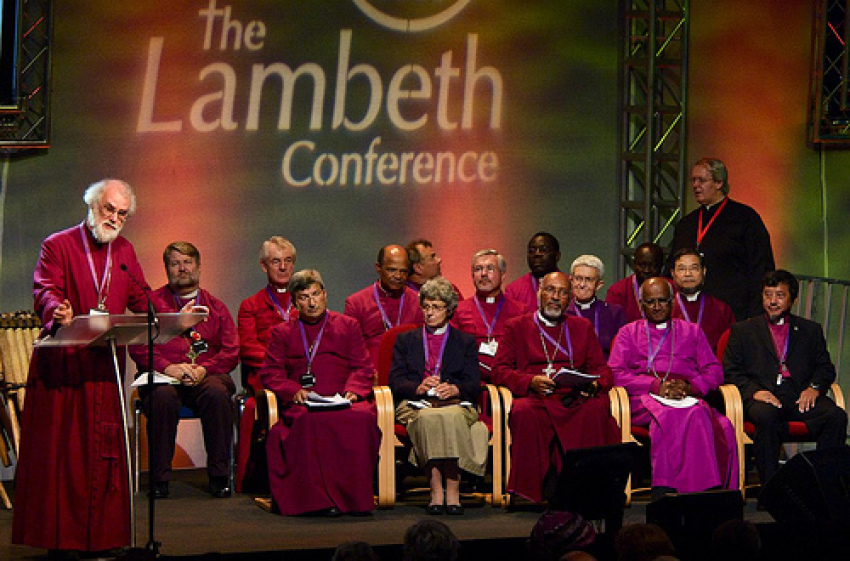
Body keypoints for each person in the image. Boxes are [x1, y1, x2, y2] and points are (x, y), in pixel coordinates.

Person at [11, 179, 185, 556]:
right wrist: (56, 308)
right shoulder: (58, 244)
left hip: (104, 367)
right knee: (64, 456)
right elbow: (44, 289)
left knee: (102, 453)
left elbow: (141, 298)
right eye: (109, 209)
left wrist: (175, 315)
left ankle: (102, 538)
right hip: (64, 367)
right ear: (92, 205)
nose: (115, 218)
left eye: (123, 213)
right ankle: (61, 539)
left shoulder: (124, 250)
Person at [493, 272, 621, 504]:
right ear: (539, 293)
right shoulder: (516, 326)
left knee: (595, 409)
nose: (556, 297)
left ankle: (586, 489)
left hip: (574, 397)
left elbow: (603, 370)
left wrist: (592, 384)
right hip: (536, 397)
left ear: (569, 299)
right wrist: (530, 381)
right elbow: (499, 370)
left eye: (563, 293)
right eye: (551, 290)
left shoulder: (581, 326)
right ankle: (530, 492)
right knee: (524, 412)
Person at [261, 269, 380, 516]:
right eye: (304, 297)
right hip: (305, 402)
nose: (312, 302)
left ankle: (352, 499)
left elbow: (363, 366)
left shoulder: (348, 325)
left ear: (325, 295)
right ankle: (317, 501)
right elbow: (271, 373)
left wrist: (353, 390)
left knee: (361, 418)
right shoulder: (283, 332)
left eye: (316, 294)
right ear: (294, 303)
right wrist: (293, 390)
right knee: (306, 421)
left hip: (343, 399)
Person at [608, 277, 739, 496]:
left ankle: (710, 492)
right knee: (673, 416)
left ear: (673, 302)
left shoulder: (692, 331)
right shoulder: (628, 333)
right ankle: (670, 489)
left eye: (663, 300)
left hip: (685, 395)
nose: (657, 306)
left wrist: (691, 386)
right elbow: (615, 373)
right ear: (641, 305)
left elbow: (714, 371)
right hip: (644, 397)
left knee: (718, 423)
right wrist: (654, 385)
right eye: (651, 302)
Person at [130, 241, 239, 499]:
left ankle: (220, 477)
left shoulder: (216, 307)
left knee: (216, 395)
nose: (182, 268)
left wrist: (203, 368)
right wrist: (169, 367)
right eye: (175, 263)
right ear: (167, 268)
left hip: (206, 376)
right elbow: (137, 347)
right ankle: (159, 480)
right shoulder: (151, 303)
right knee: (162, 398)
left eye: (187, 262)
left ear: (199, 267)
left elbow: (231, 351)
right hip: (164, 378)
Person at [723, 269, 847, 484]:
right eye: (767, 295)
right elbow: (731, 371)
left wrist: (815, 388)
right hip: (762, 395)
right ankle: (771, 489)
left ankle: (825, 485)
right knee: (768, 417)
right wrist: (754, 392)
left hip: (799, 395)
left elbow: (825, 368)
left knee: (836, 416)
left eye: (779, 295)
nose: (772, 301)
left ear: (792, 299)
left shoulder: (810, 330)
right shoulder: (743, 330)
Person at [389, 277, 489, 515]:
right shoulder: (406, 340)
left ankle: (452, 491)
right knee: (429, 419)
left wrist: (455, 389)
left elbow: (473, 383)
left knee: (451, 417)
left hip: (454, 403)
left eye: (436, 307)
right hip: (417, 405)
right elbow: (395, 380)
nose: (430, 312)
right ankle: (436, 490)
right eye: (426, 306)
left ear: (449, 309)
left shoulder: (464, 342)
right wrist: (418, 387)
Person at [667, 157, 775, 321]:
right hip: (687, 314)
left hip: (733, 312)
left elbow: (761, 270)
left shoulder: (745, 218)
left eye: (701, 180)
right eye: (693, 180)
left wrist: (754, 318)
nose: (695, 185)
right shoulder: (686, 224)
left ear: (719, 183)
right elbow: (670, 269)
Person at [344, 244, 423, 369]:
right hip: (370, 375)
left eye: (403, 271)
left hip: (409, 374)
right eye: (391, 270)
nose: (398, 276)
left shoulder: (419, 302)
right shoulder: (356, 303)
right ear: (378, 268)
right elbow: (351, 350)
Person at [451, 249, 525, 381]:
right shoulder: (458, 310)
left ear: (503, 275)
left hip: (509, 380)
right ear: (472, 276)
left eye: (490, 268)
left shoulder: (520, 311)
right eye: (478, 269)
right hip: (470, 380)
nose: (483, 274)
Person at [237, 236, 297, 395]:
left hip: (301, 371)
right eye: (276, 262)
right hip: (266, 374)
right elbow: (247, 348)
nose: (283, 267)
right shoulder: (250, 305)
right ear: (264, 266)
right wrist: (280, 362)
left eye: (288, 260)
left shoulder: (306, 303)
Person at [669, 248, 735, 353]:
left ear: (703, 271)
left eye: (693, 268)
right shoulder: (665, 309)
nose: (688, 274)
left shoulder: (721, 309)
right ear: (673, 273)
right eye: (681, 269)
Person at [567, 254, 626, 357]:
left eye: (588, 279)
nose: (582, 285)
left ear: (599, 285)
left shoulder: (614, 313)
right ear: (571, 281)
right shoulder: (563, 313)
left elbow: (620, 352)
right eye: (578, 278)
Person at [605, 242, 665, 323]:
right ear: (634, 264)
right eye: (642, 265)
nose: (647, 270)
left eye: (652, 265)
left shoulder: (671, 288)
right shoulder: (618, 291)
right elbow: (611, 325)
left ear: (661, 265)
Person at [505, 232, 562, 314]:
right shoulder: (514, 290)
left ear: (557, 256)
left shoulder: (570, 286)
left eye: (543, 250)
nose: (537, 254)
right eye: (531, 251)